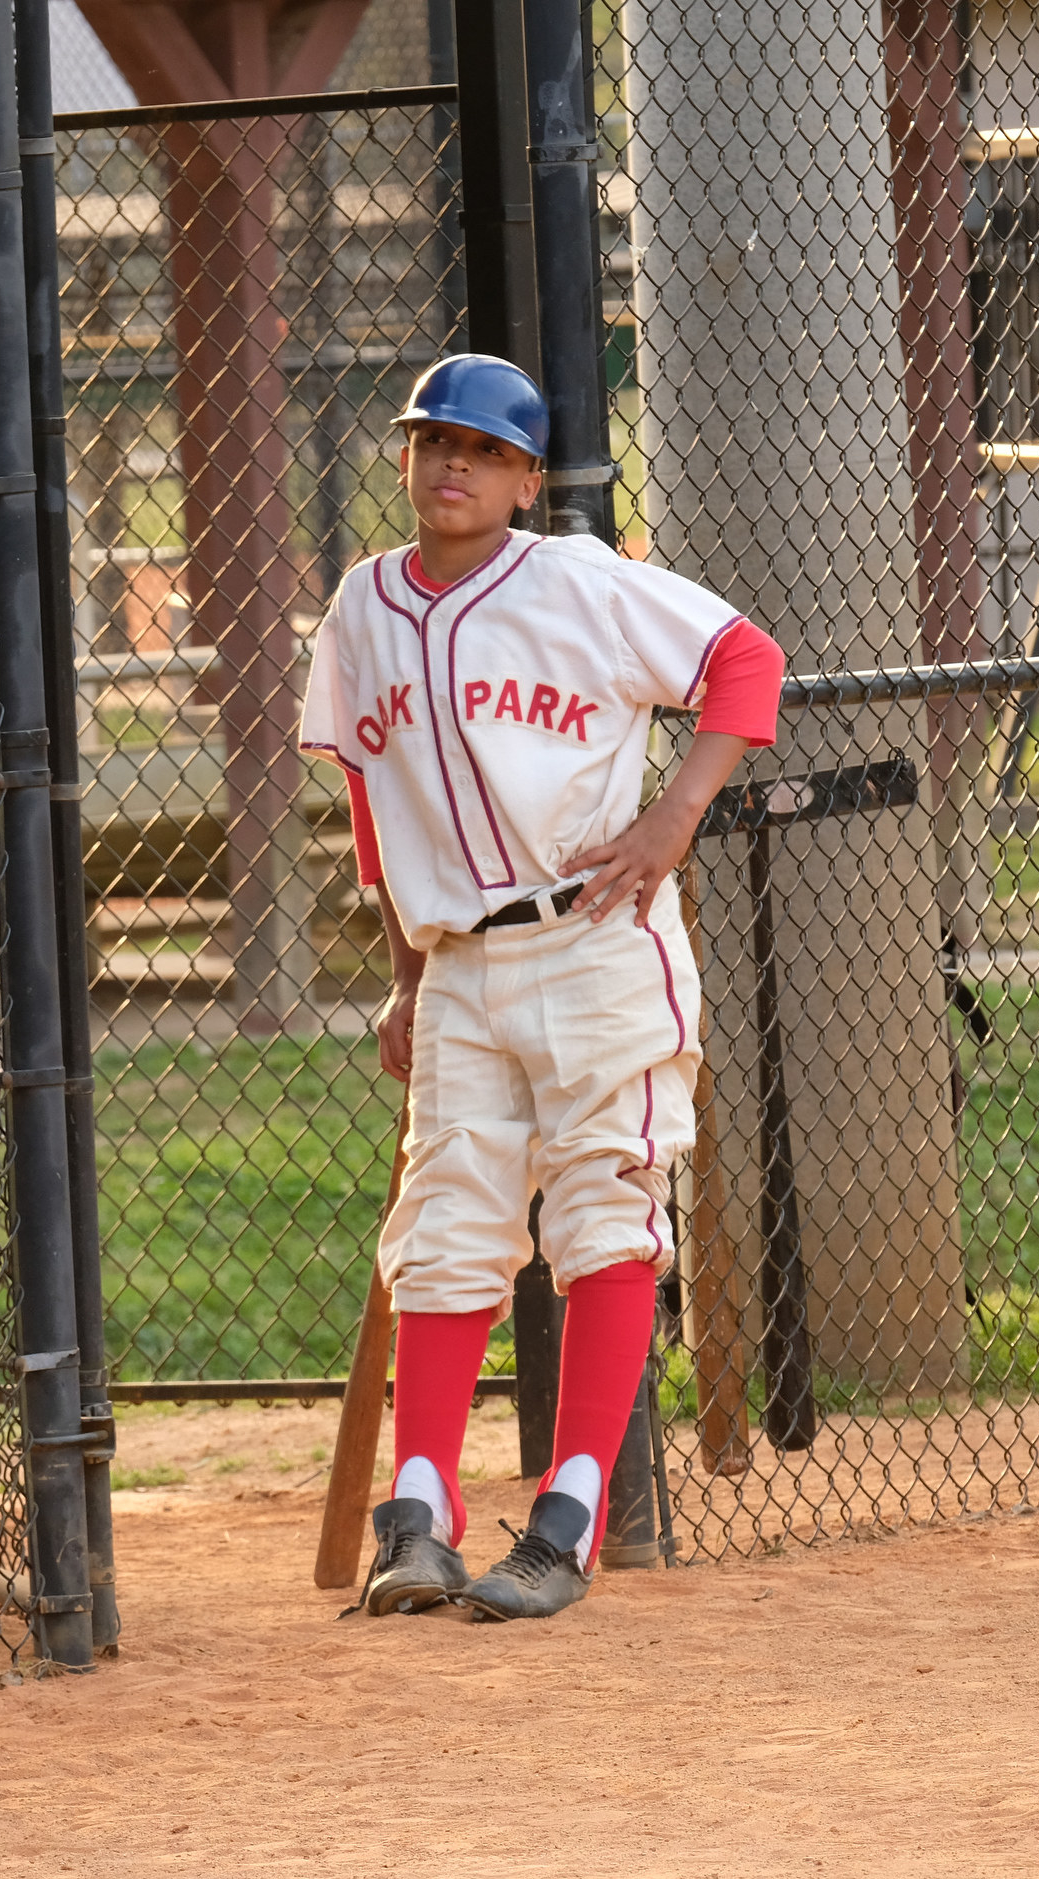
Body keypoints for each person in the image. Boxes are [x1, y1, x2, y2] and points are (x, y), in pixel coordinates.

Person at [301, 354, 785, 1620]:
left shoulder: (577, 580)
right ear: (403, 461)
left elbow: (747, 661)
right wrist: (407, 975)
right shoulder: (361, 607)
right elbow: (374, 796)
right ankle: (420, 1513)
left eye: (482, 449)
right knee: (448, 1229)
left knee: (603, 1212)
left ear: (524, 478)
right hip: (458, 959)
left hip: (593, 937)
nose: (450, 463)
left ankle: (568, 1513)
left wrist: (676, 817)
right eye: (429, 441)